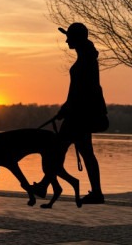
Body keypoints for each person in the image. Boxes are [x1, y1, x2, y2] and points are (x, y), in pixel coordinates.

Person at [54, 22, 107, 204]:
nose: (67, 40)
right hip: (78, 114)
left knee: (59, 150)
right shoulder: (86, 57)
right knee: (84, 152)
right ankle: (97, 193)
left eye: (69, 37)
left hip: (78, 116)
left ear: (77, 38)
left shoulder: (86, 61)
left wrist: (66, 109)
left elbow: (79, 91)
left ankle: (46, 186)